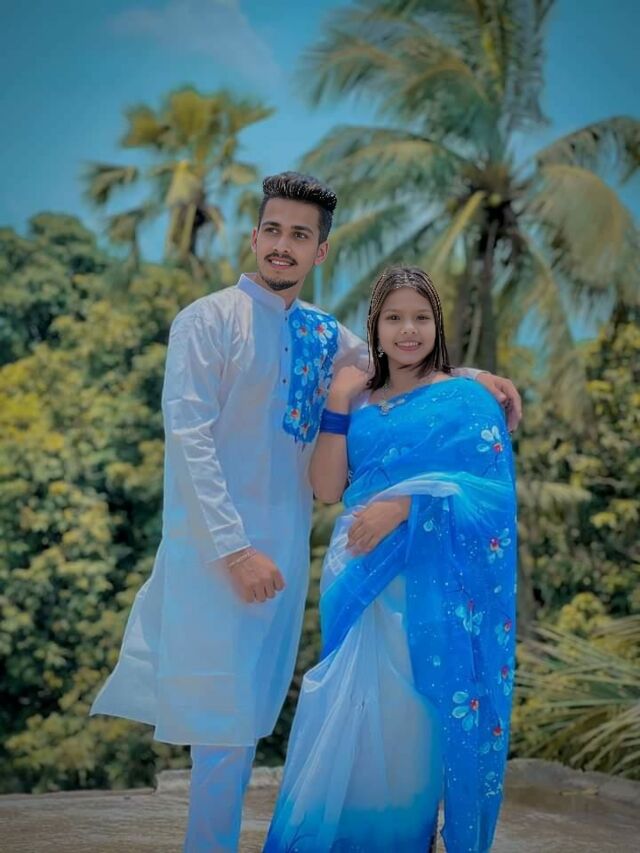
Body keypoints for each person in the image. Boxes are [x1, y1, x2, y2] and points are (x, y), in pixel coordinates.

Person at [89, 173, 521, 853]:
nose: (282, 246)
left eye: (299, 235)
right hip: (218, 554)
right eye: (272, 230)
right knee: (222, 725)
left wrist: (471, 377)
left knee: (250, 716)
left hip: (286, 561)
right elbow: (189, 440)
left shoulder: (322, 334)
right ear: (254, 236)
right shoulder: (208, 320)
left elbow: (395, 358)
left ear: (320, 251)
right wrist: (234, 551)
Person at [264, 267, 517, 853]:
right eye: (394, 318)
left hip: (432, 588)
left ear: (438, 325)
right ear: (374, 328)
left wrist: (407, 506)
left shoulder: (467, 399)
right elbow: (328, 488)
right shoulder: (356, 399)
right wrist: (336, 401)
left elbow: (494, 498)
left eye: (421, 318)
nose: (408, 330)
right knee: (346, 712)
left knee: (412, 728)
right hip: (359, 576)